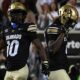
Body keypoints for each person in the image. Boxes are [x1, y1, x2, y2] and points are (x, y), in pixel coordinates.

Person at [0, 2, 49, 80]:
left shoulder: (27, 28)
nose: (18, 16)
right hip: (8, 70)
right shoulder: (6, 29)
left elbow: (39, 46)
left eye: (20, 14)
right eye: (15, 13)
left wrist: (45, 63)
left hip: (21, 69)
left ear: (24, 15)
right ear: (10, 14)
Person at [44, 4, 78, 80]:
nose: (71, 24)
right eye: (70, 21)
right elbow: (51, 50)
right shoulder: (54, 28)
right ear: (64, 18)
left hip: (61, 68)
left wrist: (69, 67)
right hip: (56, 69)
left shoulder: (61, 28)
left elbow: (61, 52)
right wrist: (63, 33)